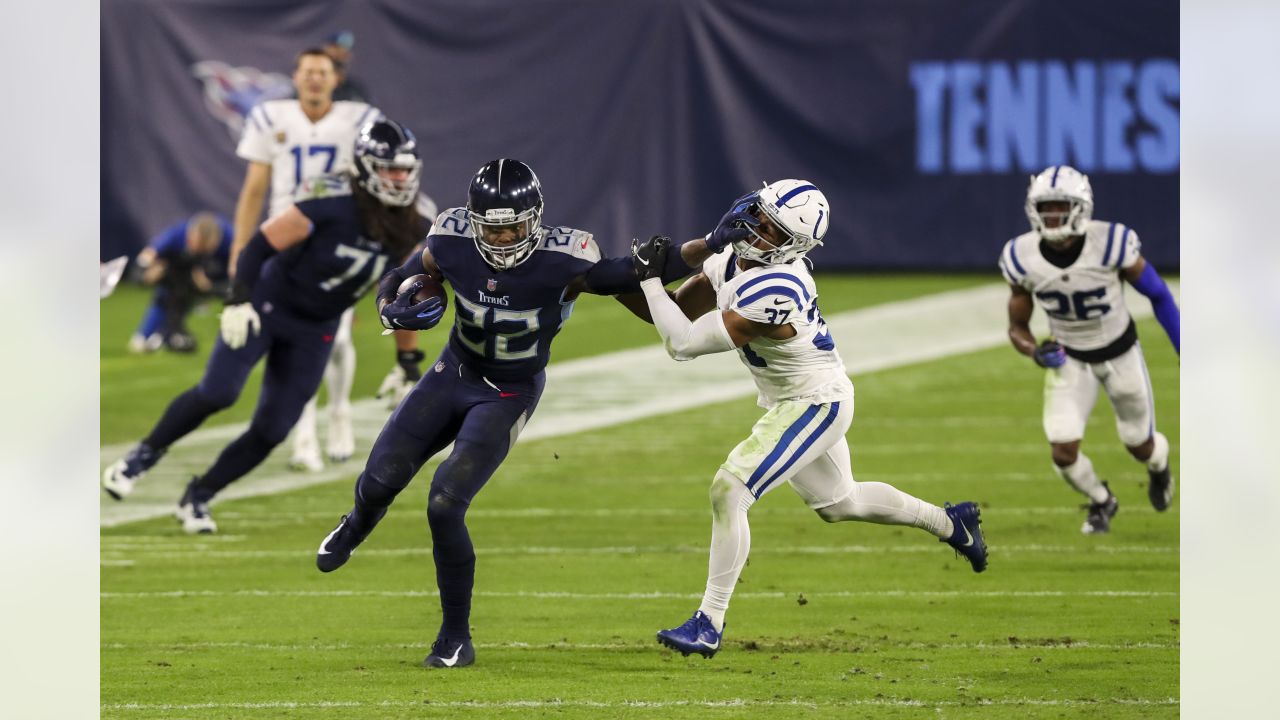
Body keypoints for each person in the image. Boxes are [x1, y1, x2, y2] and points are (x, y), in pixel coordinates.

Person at [313, 159, 702, 669]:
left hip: (509, 392)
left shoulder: (566, 257)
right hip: (453, 373)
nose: (501, 239)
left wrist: (710, 244)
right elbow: (401, 276)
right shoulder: (451, 239)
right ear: (474, 222)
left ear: (534, 220)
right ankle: (357, 523)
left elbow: (638, 269)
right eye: (491, 227)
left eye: (513, 227)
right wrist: (392, 306)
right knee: (380, 478)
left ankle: (455, 637)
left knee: (445, 503)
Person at [631, 180, 988, 659]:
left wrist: (649, 279)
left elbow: (683, 343)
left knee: (730, 488)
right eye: (757, 215)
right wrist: (639, 274)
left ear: (794, 246)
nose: (755, 230)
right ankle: (951, 523)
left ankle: (708, 622)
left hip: (814, 402)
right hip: (791, 400)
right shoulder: (736, 256)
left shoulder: (778, 285)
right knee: (841, 503)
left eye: (771, 230)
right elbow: (676, 310)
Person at [102, 119, 427, 534]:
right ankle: (141, 457)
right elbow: (259, 245)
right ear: (365, 168)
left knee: (273, 429)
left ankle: (199, 495)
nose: (398, 179)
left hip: (317, 327)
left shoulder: (412, 225)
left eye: (404, 169)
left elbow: (406, 293)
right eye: (389, 168)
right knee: (219, 392)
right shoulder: (331, 197)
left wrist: (408, 361)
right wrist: (239, 298)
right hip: (269, 304)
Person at [232, 46, 399, 473]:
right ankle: (304, 436)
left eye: (322, 72)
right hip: (285, 235)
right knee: (291, 344)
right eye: (307, 72)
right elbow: (254, 189)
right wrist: (241, 249)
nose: (314, 79)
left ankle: (339, 411)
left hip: (334, 235)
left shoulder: (359, 118)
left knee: (338, 340)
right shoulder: (273, 115)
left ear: (335, 78)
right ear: (296, 76)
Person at [1000, 165, 1180, 534]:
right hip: (1069, 359)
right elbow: (1017, 326)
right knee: (1062, 451)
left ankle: (1159, 467)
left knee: (1139, 445)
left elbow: (1159, 294)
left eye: (1059, 207)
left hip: (1120, 353)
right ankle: (1102, 501)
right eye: (1045, 207)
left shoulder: (1111, 243)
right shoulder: (1021, 256)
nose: (1052, 216)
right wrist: (1034, 351)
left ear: (1080, 207)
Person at [128, 212, 232, 354]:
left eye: (205, 248)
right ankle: (158, 334)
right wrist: (145, 274)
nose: (200, 250)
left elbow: (239, 273)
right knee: (172, 291)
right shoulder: (177, 235)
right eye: (198, 245)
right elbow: (147, 257)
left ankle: (167, 334)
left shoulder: (230, 238)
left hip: (216, 275)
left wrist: (211, 286)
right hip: (179, 273)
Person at [321, 31, 372, 104]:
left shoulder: (355, 89)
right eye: (336, 47)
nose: (342, 52)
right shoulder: (313, 87)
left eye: (346, 48)